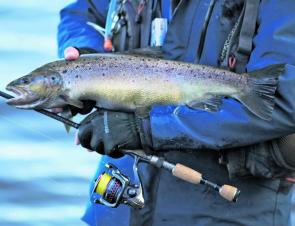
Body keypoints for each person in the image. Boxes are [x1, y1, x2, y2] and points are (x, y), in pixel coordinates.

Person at [58, 0, 295, 225]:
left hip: (226, 213)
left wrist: (148, 128)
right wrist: (87, 62)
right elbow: (80, 14)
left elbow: (281, 101)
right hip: (114, 205)